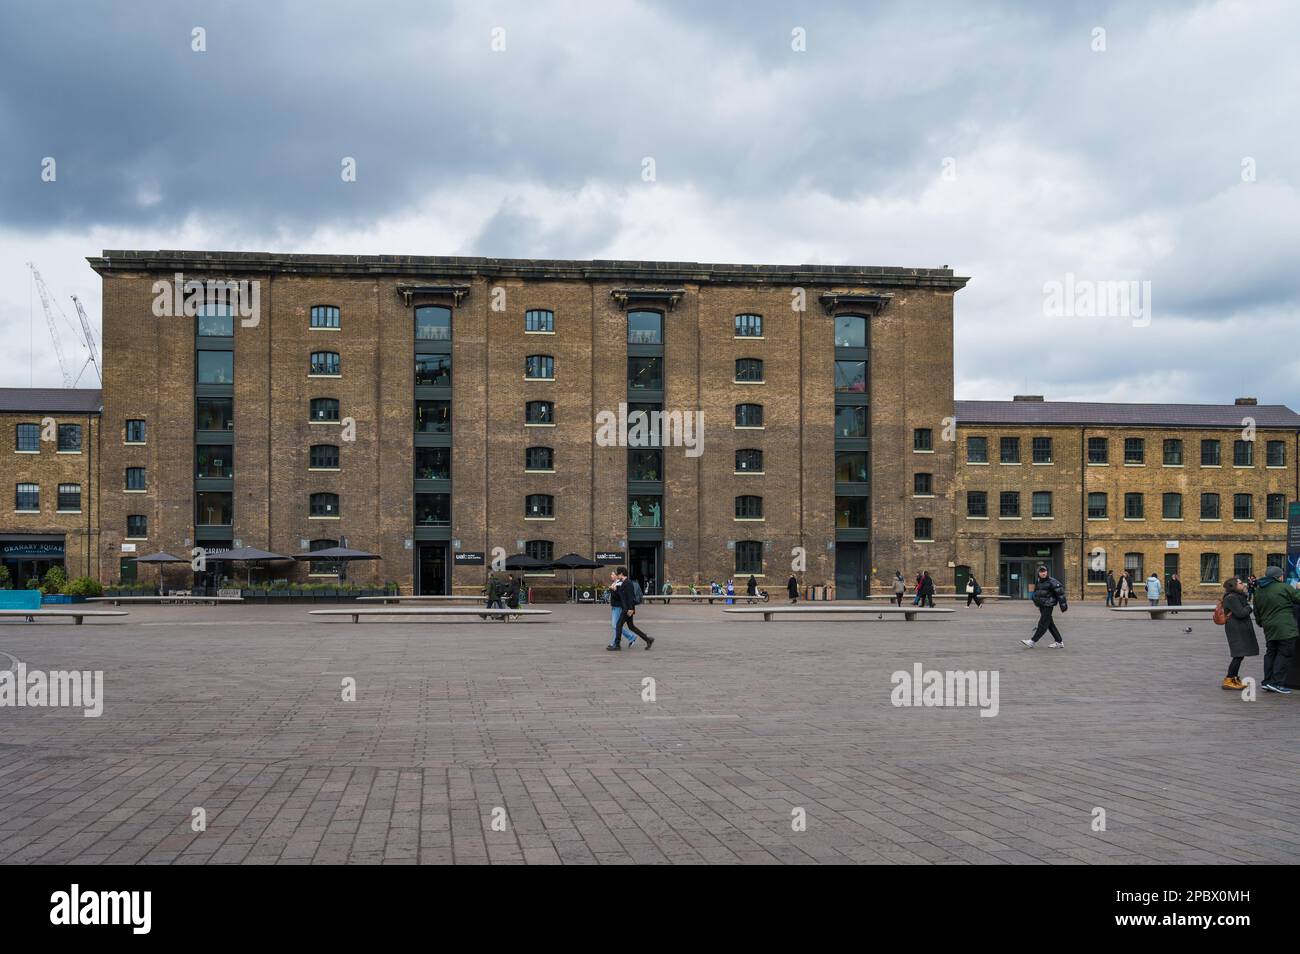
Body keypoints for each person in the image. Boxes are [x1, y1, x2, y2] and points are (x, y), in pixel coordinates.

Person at [1250, 565, 1298, 693]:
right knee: (1285, 653)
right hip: (1285, 627)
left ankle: (1267, 681)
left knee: (1271, 653)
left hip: (1269, 627)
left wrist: (1262, 623)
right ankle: (1277, 683)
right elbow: (1298, 598)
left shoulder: (1259, 590)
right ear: (1279, 577)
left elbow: (1257, 611)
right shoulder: (1284, 587)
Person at [1219, 577, 1259, 690]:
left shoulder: (1238, 596)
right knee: (1238, 654)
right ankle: (1228, 679)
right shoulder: (1232, 598)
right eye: (1241, 583)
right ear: (1234, 586)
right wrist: (1249, 607)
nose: (1244, 584)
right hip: (1235, 629)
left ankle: (1234, 678)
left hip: (1239, 628)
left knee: (1240, 655)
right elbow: (1241, 613)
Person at [1020, 564, 1067, 648]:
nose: (1043, 573)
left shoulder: (1052, 581)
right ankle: (1059, 641)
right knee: (1050, 624)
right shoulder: (1038, 581)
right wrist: (1035, 599)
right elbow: (1037, 592)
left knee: (1043, 624)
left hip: (1048, 605)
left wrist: (1063, 605)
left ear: (1047, 572)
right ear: (1038, 573)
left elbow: (1060, 592)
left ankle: (1032, 641)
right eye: (1041, 571)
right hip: (1042, 605)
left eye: (1044, 571)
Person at [608, 566, 653, 651]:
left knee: (618, 625)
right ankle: (648, 639)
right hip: (627, 608)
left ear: (621, 574)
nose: (617, 575)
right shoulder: (624, 582)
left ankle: (617, 645)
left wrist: (631, 609)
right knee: (631, 626)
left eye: (618, 573)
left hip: (627, 609)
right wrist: (613, 590)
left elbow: (630, 597)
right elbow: (622, 596)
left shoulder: (628, 583)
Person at [605, 570, 624, 649]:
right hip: (614, 606)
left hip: (618, 606)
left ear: (617, 576)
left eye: (612, 574)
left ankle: (615, 642)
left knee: (615, 625)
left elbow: (619, 596)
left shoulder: (619, 584)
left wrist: (613, 590)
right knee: (617, 625)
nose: (611, 576)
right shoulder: (614, 583)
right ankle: (631, 636)